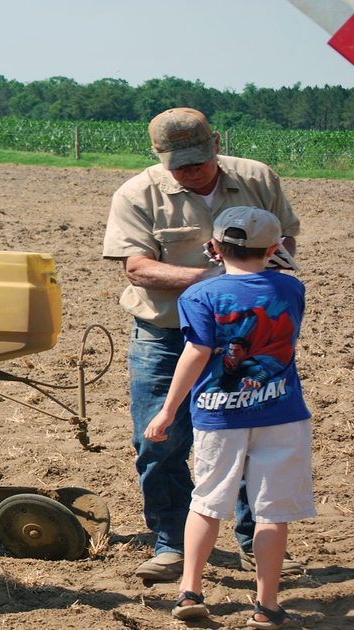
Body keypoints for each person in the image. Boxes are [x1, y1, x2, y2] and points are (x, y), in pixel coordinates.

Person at [101, 108, 302, 581]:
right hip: (166, 334)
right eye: (179, 165)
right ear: (158, 155)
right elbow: (138, 269)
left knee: (251, 435)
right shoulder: (137, 194)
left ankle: (254, 543)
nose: (190, 171)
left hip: (245, 335)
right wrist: (219, 281)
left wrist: (252, 279)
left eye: (198, 160)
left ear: (216, 143)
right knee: (158, 440)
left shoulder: (257, 179)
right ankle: (171, 543)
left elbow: (284, 239)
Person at [144, 206, 313, 628]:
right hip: (281, 415)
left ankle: (190, 590)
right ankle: (267, 605)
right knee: (271, 512)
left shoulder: (199, 295)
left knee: (206, 502)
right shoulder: (291, 289)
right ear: (274, 249)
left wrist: (168, 410)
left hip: (218, 415)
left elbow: (197, 353)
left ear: (214, 247)